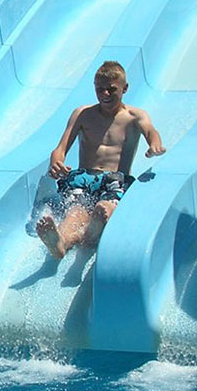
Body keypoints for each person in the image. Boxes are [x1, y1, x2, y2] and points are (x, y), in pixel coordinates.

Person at [35, 60, 166, 258]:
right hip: (83, 177)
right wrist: (56, 163)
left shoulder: (134, 116)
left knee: (105, 208)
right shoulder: (82, 114)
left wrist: (155, 145)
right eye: (100, 89)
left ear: (125, 88)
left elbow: (151, 131)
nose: (105, 94)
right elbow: (60, 149)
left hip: (114, 179)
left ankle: (93, 232)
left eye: (111, 89)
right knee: (75, 213)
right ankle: (61, 243)